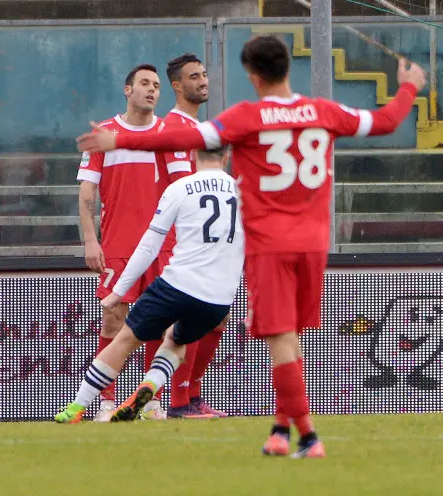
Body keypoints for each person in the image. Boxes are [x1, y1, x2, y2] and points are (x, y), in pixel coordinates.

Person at [76, 35, 426, 458]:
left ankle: (306, 437)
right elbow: (386, 122)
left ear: (252, 75)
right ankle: (280, 429)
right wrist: (409, 86)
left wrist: (121, 141)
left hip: (270, 244)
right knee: (291, 338)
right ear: (287, 69)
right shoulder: (325, 111)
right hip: (315, 244)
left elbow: (176, 140)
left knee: (279, 340)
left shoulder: (247, 118)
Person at [55, 146, 243, 424]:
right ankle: (151, 385)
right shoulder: (244, 193)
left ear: (192, 157)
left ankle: (77, 407)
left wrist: (118, 291)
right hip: (218, 298)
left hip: (177, 284)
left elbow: (149, 246)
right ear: (226, 158)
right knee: (176, 342)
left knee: (125, 340)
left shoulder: (180, 188)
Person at [77, 64, 173, 421]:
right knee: (112, 321)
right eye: (145, 84)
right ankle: (106, 400)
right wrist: (91, 240)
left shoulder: (169, 134)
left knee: (160, 324)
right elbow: (87, 189)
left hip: (164, 246)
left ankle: (149, 401)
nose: (152, 90)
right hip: (119, 243)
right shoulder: (106, 134)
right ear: (127, 90)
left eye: (157, 86)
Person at [159, 53, 227, 419]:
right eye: (193, 76)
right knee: (188, 320)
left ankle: (192, 394)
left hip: (206, 237)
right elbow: (182, 187)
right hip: (182, 239)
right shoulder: (174, 128)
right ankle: (177, 402)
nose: (202, 81)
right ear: (177, 85)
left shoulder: (201, 130)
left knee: (215, 319)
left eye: (204, 74)